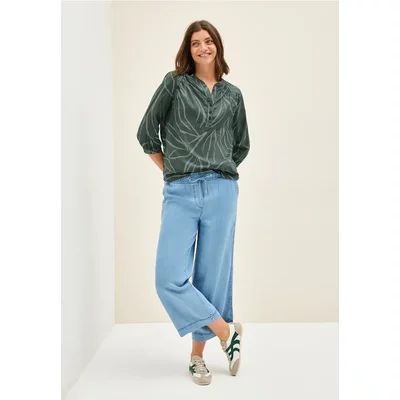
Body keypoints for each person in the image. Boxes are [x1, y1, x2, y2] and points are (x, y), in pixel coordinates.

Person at [136, 20, 250, 385]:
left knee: (211, 277)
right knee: (168, 278)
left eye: (209, 40)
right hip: (181, 191)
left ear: (218, 46)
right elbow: (146, 133)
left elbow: (241, 146)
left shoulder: (233, 95)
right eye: (196, 42)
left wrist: (218, 171)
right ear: (188, 49)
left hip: (221, 192)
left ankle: (197, 358)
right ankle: (225, 331)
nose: (203, 47)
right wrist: (174, 170)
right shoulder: (174, 84)